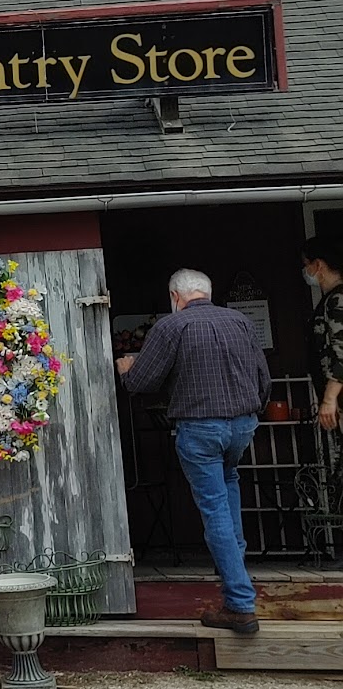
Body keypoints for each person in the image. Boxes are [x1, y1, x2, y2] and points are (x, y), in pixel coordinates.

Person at [116, 267, 271, 636]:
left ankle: (239, 603)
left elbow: (142, 383)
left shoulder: (171, 327)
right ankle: (232, 567)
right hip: (242, 424)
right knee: (228, 486)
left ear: (175, 297)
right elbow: (263, 379)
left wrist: (126, 368)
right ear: (207, 292)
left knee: (214, 507)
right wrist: (249, 414)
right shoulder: (240, 322)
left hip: (200, 427)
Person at [304, 238, 343, 436]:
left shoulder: (338, 299)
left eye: (306, 265)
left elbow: (342, 350)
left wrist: (330, 397)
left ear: (318, 265)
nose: (306, 272)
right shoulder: (331, 299)